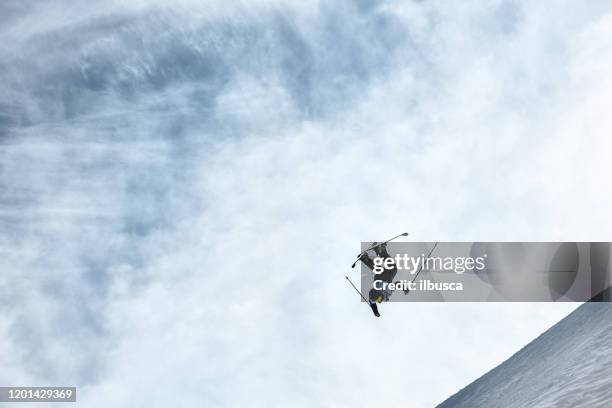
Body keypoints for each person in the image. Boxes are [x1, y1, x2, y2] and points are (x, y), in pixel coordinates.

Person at [357, 242, 399, 317]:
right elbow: (397, 284)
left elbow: (372, 303)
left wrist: (375, 311)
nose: (379, 300)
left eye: (378, 299)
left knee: (384, 271)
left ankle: (377, 252)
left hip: (381, 279)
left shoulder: (379, 293)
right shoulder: (385, 296)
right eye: (378, 300)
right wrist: (404, 287)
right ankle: (374, 254)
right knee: (392, 269)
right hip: (388, 277)